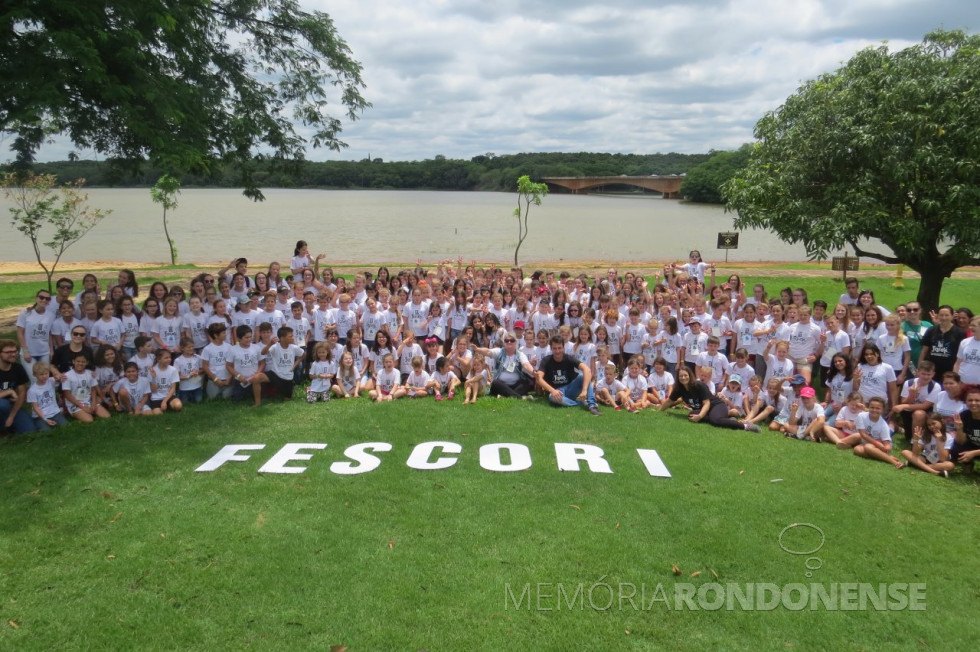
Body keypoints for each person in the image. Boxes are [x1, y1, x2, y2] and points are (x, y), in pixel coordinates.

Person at [660, 365, 760, 431]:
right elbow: (669, 401)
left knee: (715, 420)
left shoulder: (699, 385)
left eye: (685, 375)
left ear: (690, 376)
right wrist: (658, 411)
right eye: (681, 376)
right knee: (691, 415)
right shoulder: (679, 388)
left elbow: (707, 403)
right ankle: (729, 420)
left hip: (716, 405)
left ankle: (745, 426)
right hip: (705, 410)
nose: (683, 378)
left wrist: (700, 416)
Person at [536, 335, 600, 415]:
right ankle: (581, 404)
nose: (557, 351)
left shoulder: (569, 358)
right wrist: (552, 390)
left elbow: (587, 370)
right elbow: (539, 378)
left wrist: (584, 390)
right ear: (551, 348)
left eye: (559, 348)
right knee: (552, 397)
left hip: (571, 388)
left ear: (563, 348)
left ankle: (592, 405)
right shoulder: (546, 360)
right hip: (557, 391)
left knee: (582, 376)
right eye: (554, 348)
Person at [471, 332, 536, 399]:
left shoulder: (520, 354)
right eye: (507, 340)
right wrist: (477, 349)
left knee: (526, 382)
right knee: (495, 383)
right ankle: (519, 397)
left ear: (515, 342)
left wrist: (534, 372)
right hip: (501, 385)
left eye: (512, 340)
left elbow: (526, 365)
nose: (509, 342)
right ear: (504, 342)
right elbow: (488, 351)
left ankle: (506, 395)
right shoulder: (499, 352)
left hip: (516, 384)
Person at [0, 339, 37, 434]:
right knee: (2, 405)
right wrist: (9, 392)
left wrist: (11, 417)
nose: (13, 354)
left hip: (12, 405)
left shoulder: (18, 368)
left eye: (14, 351)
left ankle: (9, 424)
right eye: (8, 352)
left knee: (30, 430)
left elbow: (22, 394)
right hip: (2, 404)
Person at [901, 413, 954, 478]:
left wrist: (939, 440)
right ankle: (935, 472)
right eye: (929, 425)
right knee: (905, 452)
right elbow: (915, 453)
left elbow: (943, 459)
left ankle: (917, 465)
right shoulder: (926, 434)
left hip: (939, 462)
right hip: (926, 458)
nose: (932, 426)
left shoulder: (949, 437)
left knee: (950, 465)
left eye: (934, 423)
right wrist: (916, 440)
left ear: (942, 422)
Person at [16, 289, 56, 372]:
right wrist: (25, 351)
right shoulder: (26, 313)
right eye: (41, 297)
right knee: (34, 378)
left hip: (44, 352)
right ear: (36, 298)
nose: (44, 300)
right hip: (29, 352)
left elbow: (49, 333)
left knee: (44, 377)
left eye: (47, 299)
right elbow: (20, 333)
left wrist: (51, 350)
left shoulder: (51, 315)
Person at [26, 362, 67, 431]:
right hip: (40, 416)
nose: (44, 376)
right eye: (41, 374)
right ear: (35, 375)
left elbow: (60, 380)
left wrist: (60, 377)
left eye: (46, 373)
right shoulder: (32, 390)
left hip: (54, 412)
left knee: (65, 426)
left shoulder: (51, 381)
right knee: (46, 431)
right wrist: (45, 419)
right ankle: (39, 423)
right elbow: (35, 407)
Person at [951, 386, 980, 472]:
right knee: (955, 448)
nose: (973, 403)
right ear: (966, 402)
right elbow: (961, 442)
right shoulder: (964, 415)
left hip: (976, 450)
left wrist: (973, 453)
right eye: (970, 400)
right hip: (972, 445)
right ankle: (968, 464)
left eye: (977, 400)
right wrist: (959, 429)